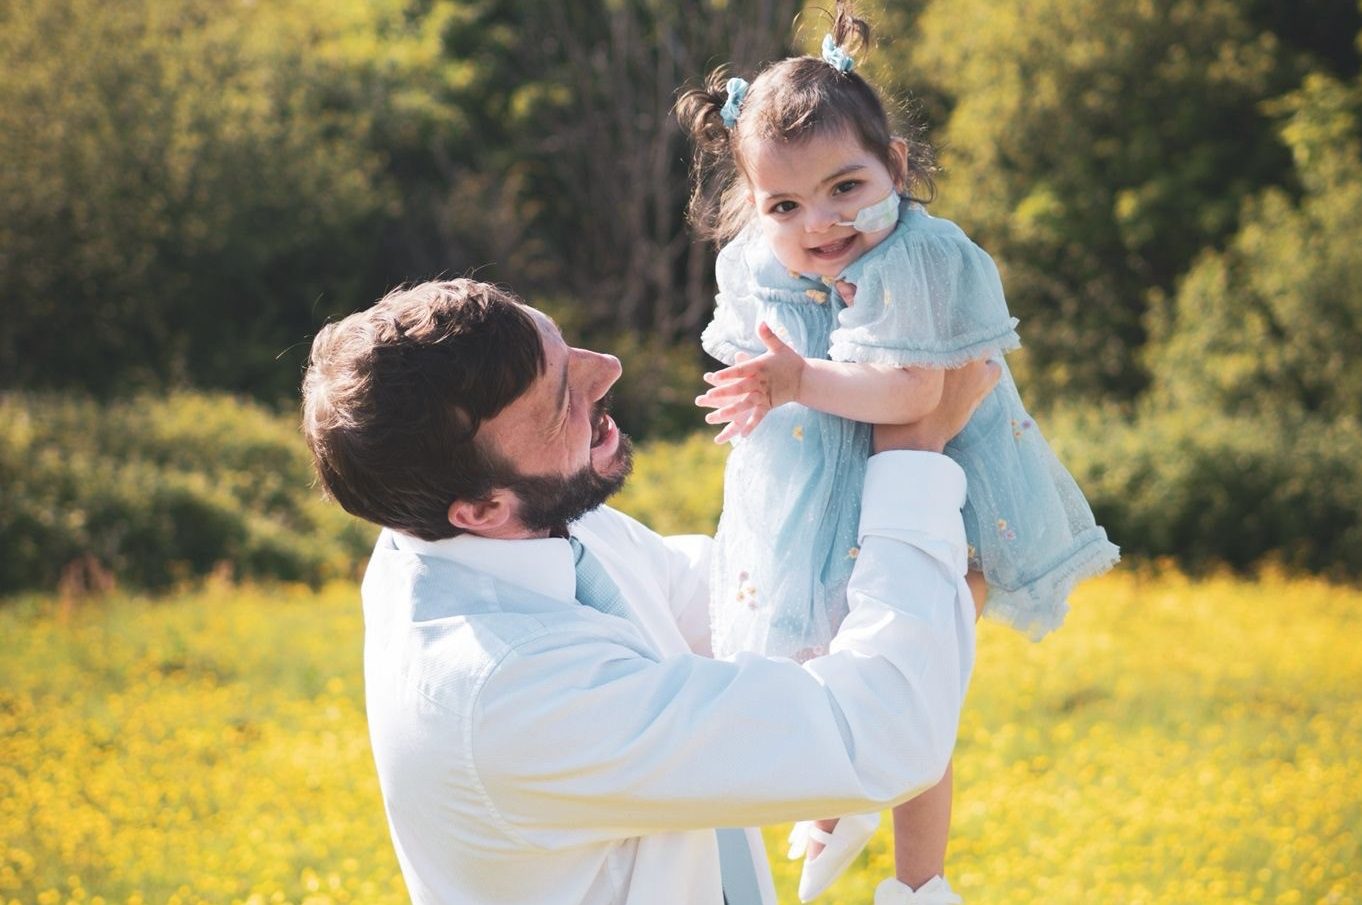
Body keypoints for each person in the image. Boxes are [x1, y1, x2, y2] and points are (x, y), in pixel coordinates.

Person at [300, 277, 999, 905]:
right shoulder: (513, 693)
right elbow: (883, 732)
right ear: (481, 508)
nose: (607, 370)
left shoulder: (520, 529)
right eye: (558, 401)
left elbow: (741, 608)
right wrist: (912, 453)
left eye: (565, 348)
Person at [676, 3, 1119, 901]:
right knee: (815, 648)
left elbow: (917, 395)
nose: (820, 222)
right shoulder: (762, 260)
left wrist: (795, 382)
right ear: (756, 206)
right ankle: (837, 806)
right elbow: (762, 359)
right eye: (786, 204)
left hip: (948, 487)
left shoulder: (918, 256)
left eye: (847, 187)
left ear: (897, 167)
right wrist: (765, 388)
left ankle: (921, 884)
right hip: (820, 479)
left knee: (919, 684)